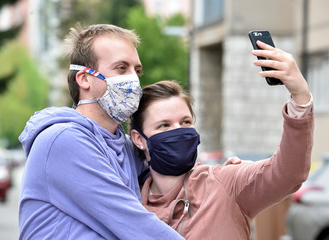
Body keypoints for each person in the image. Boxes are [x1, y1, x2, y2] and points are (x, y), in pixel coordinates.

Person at [130, 41, 314, 240]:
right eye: (164, 125)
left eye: (185, 122)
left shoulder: (224, 183)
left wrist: (300, 98)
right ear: (139, 139)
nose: (178, 131)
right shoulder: (129, 207)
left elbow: (287, 173)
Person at [18, 24, 186, 239]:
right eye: (121, 68)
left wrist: (231, 174)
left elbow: (173, 179)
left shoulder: (123, 145)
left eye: (137, 70)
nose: (134, 80)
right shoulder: (62, 140)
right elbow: (134, 224)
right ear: (84, 78)